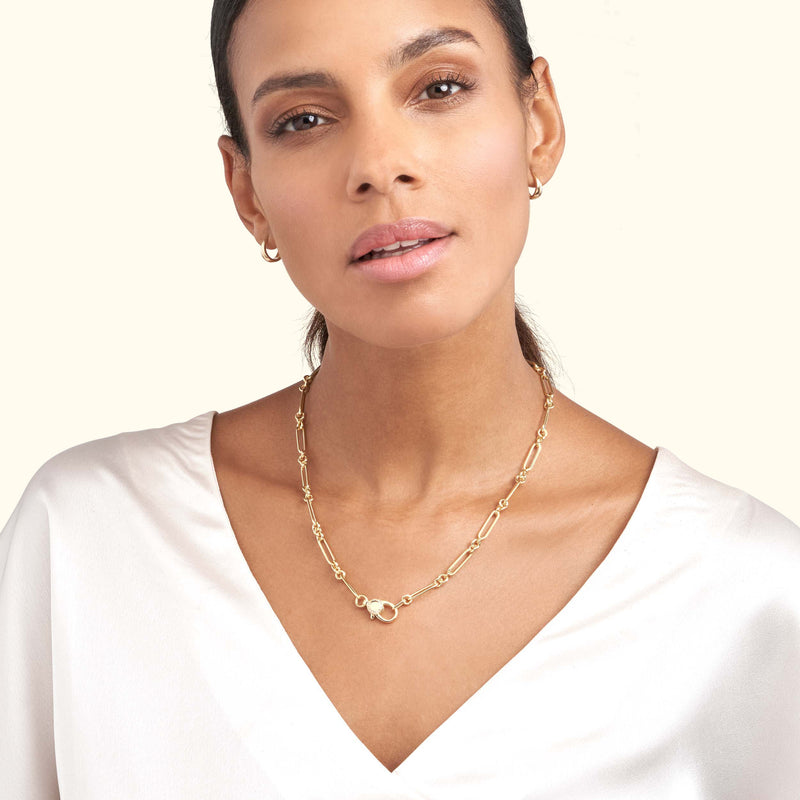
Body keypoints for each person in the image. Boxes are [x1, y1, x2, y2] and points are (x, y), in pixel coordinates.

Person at [1, 0, 798, 797]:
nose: (380, 164)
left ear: (539, 124)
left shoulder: (746, 592)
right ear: (246, 191)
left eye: (441, 88)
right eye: (304, 119)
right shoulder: (86, 545)